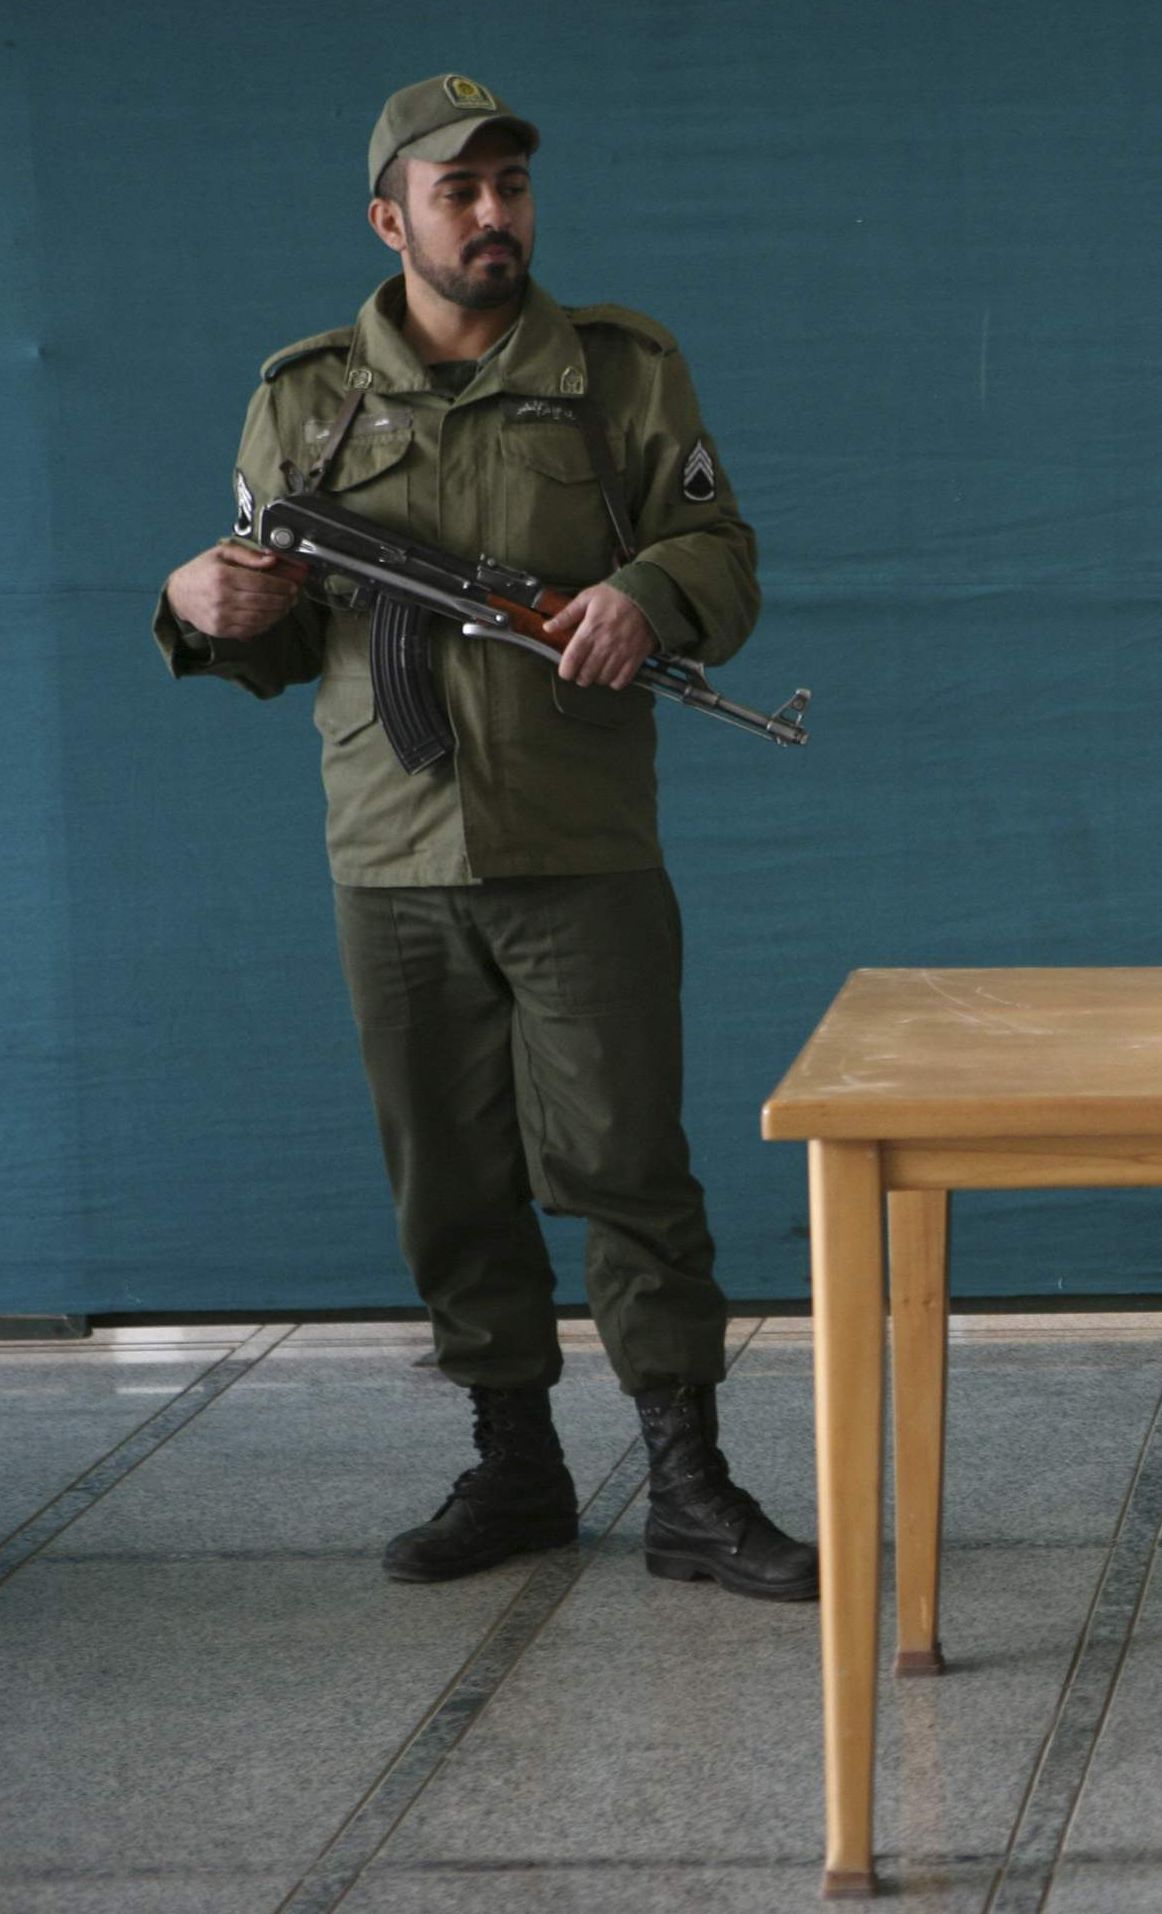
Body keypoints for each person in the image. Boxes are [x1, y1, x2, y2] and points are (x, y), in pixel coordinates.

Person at [153, 75, 815, 1601]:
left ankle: (687, 1480)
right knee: (447, 1180)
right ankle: (514, 1459)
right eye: (458, 191)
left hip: (578, 841)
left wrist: (643, 595)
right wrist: (199, 608)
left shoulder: (617, 373)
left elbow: (720, 555)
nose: (494, 213)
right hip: (391, 856)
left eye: (509, 184)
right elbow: (275, 637)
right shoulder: (306, 400)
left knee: (628, 1164)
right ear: (390, 220)